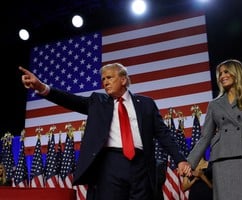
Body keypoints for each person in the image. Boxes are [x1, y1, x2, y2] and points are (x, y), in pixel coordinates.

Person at [19, 63, 191, 200]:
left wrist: (180, 160)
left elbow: (163, 134)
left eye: (109, 77)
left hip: (141, 165)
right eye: (103, 79)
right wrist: (41, 87)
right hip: (111, 165)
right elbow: (70, 100)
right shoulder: (98, 101)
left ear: (123, 80)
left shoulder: (146, 103)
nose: (105, 82)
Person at [187, 59, 242, 200]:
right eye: (220, 74)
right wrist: (189, 163)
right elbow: (205, 137)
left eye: (226, 72)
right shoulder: (214, 105)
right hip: (223, 160)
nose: (222, 76)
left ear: (237, 73)